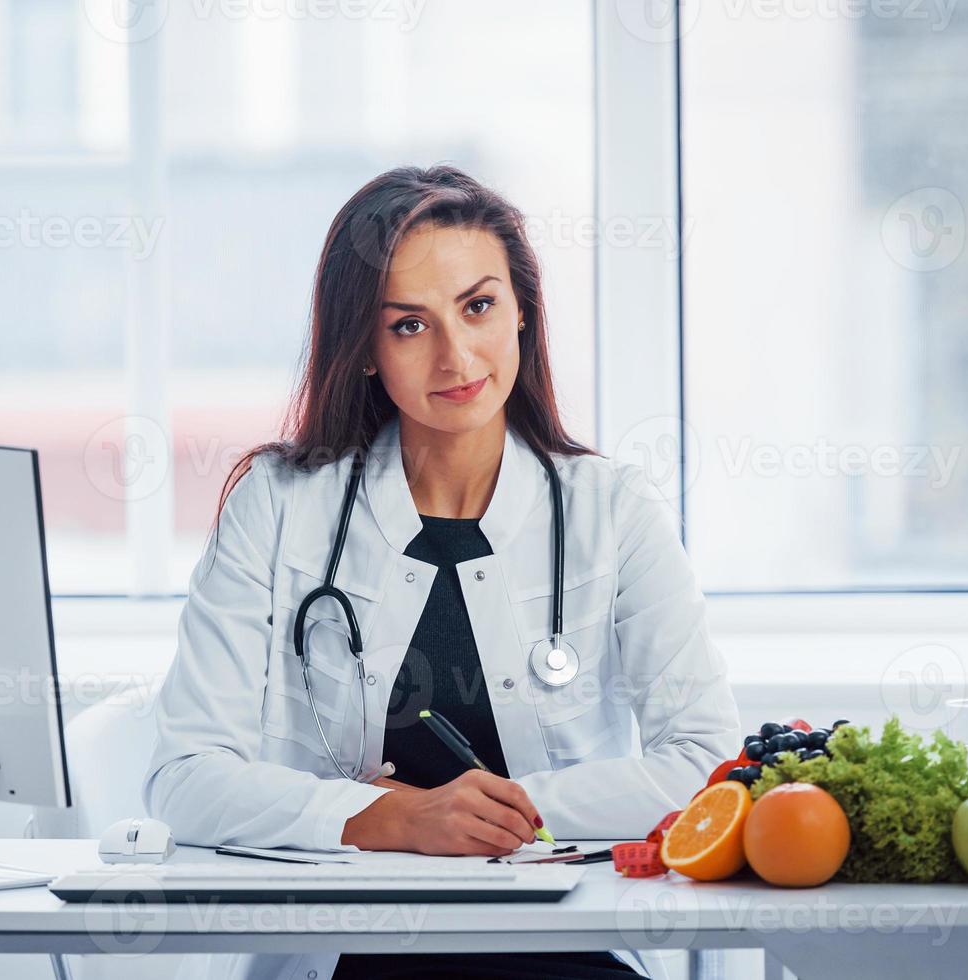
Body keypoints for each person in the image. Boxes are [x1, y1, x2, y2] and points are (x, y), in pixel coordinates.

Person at [143, 164, 741, 980]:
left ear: (522, 311)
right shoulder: (278, 505)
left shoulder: (613, 511)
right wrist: (395, 819)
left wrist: (505, 817)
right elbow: (186, 778)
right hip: (356, 950)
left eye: (479, 306)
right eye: (409, 326)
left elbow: (706, 763)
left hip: (564, 945)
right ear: (363, 349)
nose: (458, 355)